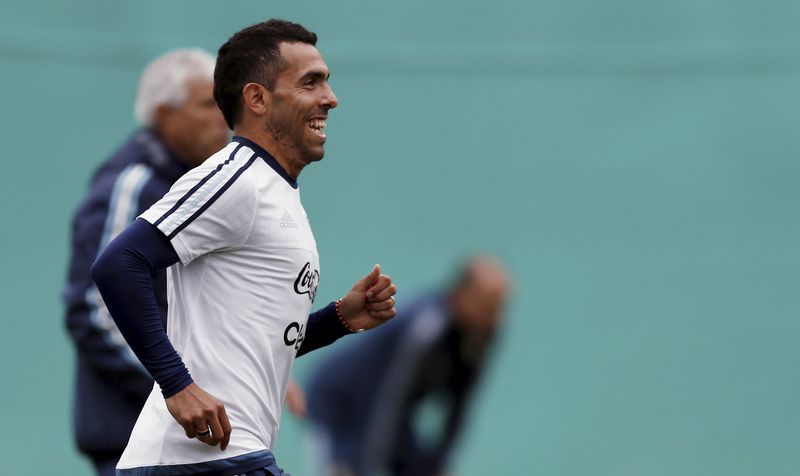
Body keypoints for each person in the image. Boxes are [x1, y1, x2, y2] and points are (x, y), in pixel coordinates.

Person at [90, 19, 397, 476]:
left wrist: (338, 320)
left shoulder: (276, 191)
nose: (330, 98)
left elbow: (253, 343)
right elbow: (119, 263)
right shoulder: (238, 178)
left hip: (224, 456)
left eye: (327, 82)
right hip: (198, 458)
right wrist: (177, 385)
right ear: (257, 98)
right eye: (311, 82)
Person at [62, 48, 228, 476]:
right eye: (207, 104)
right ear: (164, 115)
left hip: (192, 437)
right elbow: (95, 308)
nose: (223, 117)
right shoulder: (133, 185)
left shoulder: (195, 189)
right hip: (138, 442)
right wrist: (177, 385)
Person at [306, 256, 510, 476]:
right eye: (486, 305)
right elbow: (388, 396)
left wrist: (438, 462)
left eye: (498, 307)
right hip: (341, 404)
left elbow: (459, 405)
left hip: (391, 413)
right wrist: (363, 465)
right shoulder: (425, 328)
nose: (494, 316)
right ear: (460, 294)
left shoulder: (481, 334)